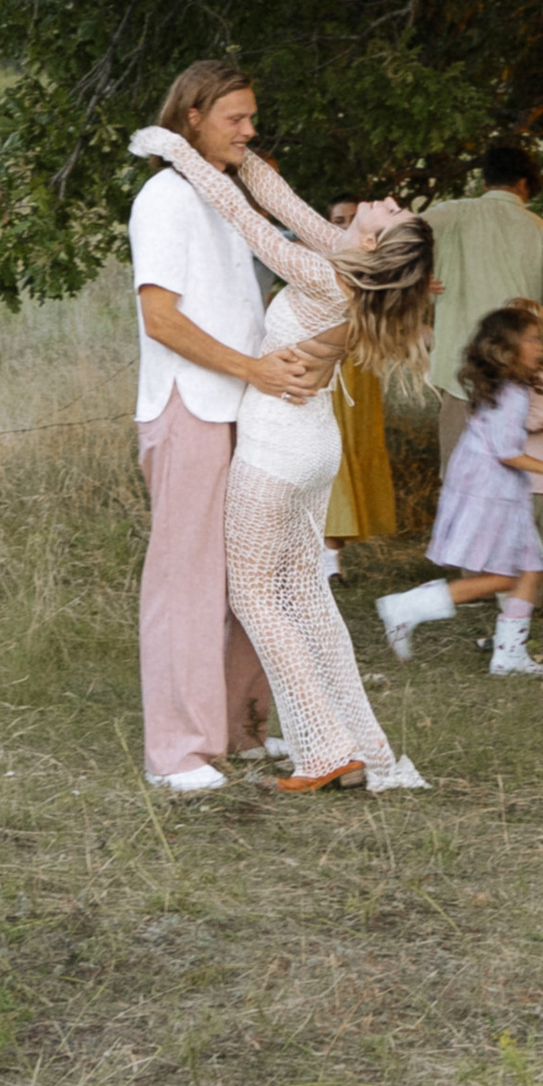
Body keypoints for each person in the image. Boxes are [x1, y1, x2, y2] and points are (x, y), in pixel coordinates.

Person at [133, 116, 437, 789]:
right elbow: (279, 197)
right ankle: (364, 748)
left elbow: (250, 222)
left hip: (277, 445)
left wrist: (176, 150)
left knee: (255, 595)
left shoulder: (328, 274)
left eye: (391, 210)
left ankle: (326, 751)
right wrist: (244, 157)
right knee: (307, 594)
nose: (386, 201)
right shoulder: (347, 257)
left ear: (375, 239)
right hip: (314, 445)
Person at [127, 56, 326, 793]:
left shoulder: (223, 199)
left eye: (251, 116)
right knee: (186, 581)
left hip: (248, 407)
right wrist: (252, 372)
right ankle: (176, 752)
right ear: (191, 119)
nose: (250, 129)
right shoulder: (164, 199)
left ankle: (243, 732)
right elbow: (161, 319)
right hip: (191, 408)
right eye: (234, 118)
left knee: (253, 571)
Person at [378, 303, 543, 675]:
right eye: (530, 339)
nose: (539, 346)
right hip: (490, 489)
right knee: (505, 575)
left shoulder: (508, 386)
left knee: (531, 566)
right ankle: (406, 607)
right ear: (506, 347)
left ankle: (509, 653)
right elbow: (508, 452)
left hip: (500, 489)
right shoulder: (511, 392)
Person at [422, 142, 543, 467]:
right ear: (524, 184)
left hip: (459, 373)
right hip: (518, 380)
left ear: (485, 182)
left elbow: (395, 239)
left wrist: (416, 281)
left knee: (460, 484)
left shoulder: (451, 214)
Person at [322, 197, 399, 571]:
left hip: (363, 367)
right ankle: (328, 555)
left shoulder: (378, 266)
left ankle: (333, 548)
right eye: (339, 220)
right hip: (328, 364)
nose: (347, 225)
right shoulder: (322, 260)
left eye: (354, 218)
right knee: (332, 450)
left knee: (357, 445)